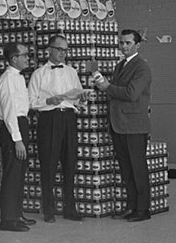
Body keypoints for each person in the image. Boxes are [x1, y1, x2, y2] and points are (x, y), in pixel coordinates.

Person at [28, 34, 90, 223]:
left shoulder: (71, 72)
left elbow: (78, 96)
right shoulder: (39, 73)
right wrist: (48, 100)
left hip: (69, 118)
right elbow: (30, 102)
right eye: (60, 49)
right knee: (48, 164)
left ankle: (70, 208)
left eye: (65, 50)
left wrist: (82, 99)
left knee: (70, 163)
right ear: (50, 50)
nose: (63, 53)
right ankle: (48, 209)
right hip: (49, 118)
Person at [94, 29, 153, 222]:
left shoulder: (142, 67)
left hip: (135, 125)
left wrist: (107, 87)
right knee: (126, 169)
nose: (124, 46)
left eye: (128, 43)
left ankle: (143, 209)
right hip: (119, 124)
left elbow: (131, 93)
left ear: (137, 45)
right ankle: (131, 206)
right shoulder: (120, 66)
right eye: (121, 43)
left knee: (137, 168)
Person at [0, 42, 35, 232]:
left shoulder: (18, 78)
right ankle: (8, 219)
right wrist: (17, 139)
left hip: (20, 124)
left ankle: (17, 214)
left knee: (19, 173)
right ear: (14, 59)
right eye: (24, 55)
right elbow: (10, 110)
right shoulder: (8, 79)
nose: (28, 58)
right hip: (13, 127)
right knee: (12, 174)